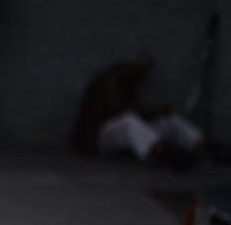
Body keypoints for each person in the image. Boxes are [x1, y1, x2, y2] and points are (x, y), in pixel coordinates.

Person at [70, 54, 205, 169]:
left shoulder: (130, 84)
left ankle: (202, 145)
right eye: (139, 69)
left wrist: (157, 112)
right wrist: (152, 111)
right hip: (99, 138)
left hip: (120, 132)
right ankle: (166, 154)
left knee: (168, 120)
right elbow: (119, 110)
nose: (142, 75)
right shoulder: (109, 81)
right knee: (129, 122)